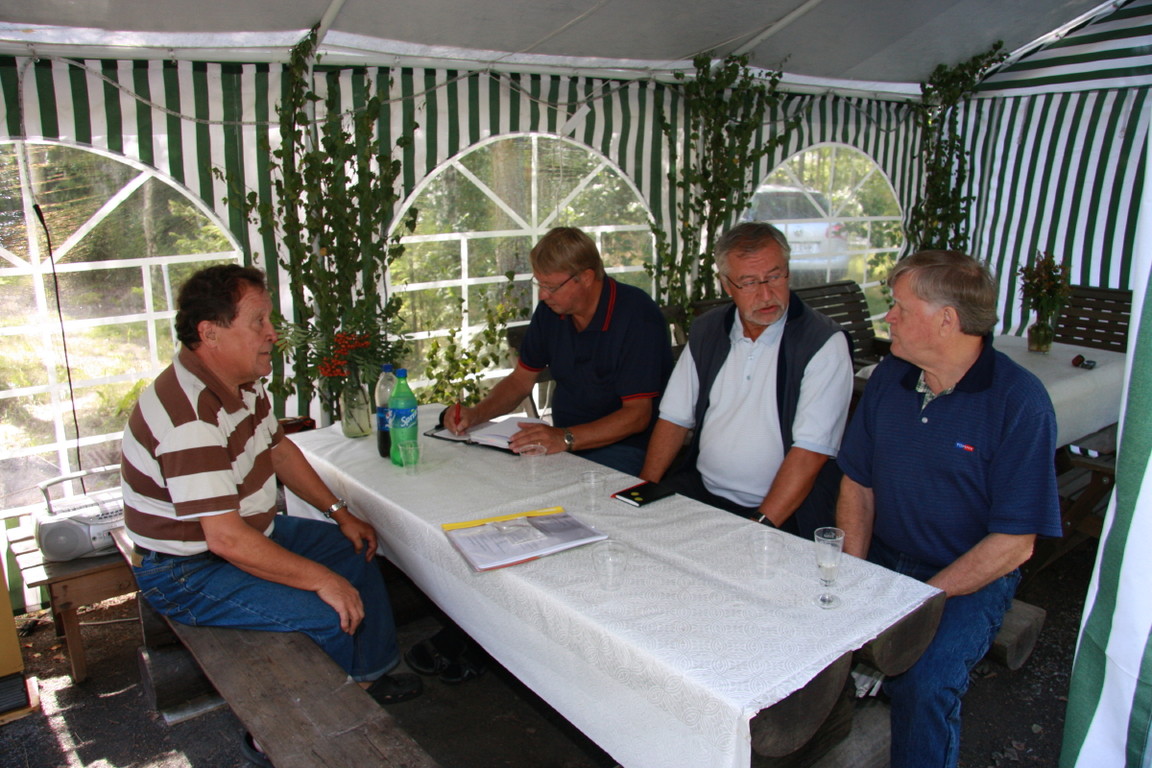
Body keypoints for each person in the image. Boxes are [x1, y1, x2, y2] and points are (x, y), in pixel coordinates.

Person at [120, 265, 421, 764]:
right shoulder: (190, 416)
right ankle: (278, 747)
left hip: (248, 532)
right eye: (259, 321)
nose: (272, 334)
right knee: (326, 610)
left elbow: (279, 450)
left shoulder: (240, 383)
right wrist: (319, 579)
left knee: (355, 547)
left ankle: (364, 681)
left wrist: (339, 513)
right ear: (209, 333)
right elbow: (225, 541)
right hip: (185, 569)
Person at [835, 250, 1062, 768]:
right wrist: (850, 574)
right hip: (885, 556)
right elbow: (857, 483)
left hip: (967, 576)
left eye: (899, 307)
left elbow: (1014, 543)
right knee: (809, 640)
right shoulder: (891, 376)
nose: (887, 316)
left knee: (924, 681)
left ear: (946, 319)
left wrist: (919, 602)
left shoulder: (1019, 402)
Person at [639, 221, 854, 536]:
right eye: (750, 282)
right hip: (702, 490)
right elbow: (674, 419)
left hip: (783, 513)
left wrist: (759, 528)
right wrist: (643, 490)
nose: (766, 294)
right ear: (727, 284)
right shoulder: (708, 330)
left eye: (775, 276)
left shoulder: (823, 343)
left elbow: (811, 453)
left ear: (788, 271)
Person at [444, 226, 673, 477]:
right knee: (490, 475)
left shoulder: (636, 316)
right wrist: (476, 414)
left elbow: (637, 416)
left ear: (585, 277)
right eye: (539, 284)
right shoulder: (552, 312)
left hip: (627, 448)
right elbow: (520, 381)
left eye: (551, 286)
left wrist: (564, 438)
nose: (543, 295)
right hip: (566, 442)